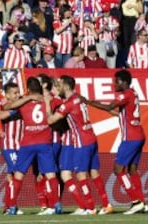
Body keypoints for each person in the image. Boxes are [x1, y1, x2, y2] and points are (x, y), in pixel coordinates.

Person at [80, 69, 148, 215]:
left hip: (130, 137)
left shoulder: (125, 94)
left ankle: (136, 201)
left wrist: (87, 102)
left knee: (118, 169)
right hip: (139, 135)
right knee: (132, 170)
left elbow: (109, 106)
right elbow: (120, 113)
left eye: (116, 81)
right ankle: (142, 202)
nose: (113, 84)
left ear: (123, 82)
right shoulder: (133, 93)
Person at [46, 75, 113, 215]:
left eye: (59, 85)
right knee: (94, 172)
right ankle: (106, 204)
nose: (58, 88)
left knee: (81, 175)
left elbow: (51, 120)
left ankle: (90, 207)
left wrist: (47, 103)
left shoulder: (68, 104)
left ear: (65, 86)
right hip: (91, 137)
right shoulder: (79, 98)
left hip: (82, 141)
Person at [3, 76, 61, 215]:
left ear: (28, 89)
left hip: (27, 143)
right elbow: (61, 103)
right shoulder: (49, 100)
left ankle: (11, 205)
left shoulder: (23, 103)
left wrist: (27, 98)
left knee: (18, 174)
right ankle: (56, 203)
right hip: (44, 142)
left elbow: (6, 106)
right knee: (50, 174)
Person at [0, 82, 24, 215]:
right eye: (14, 93)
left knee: (11, 175)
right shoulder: (4, 104)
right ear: (7, 95)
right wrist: (16, 110)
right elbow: (1, 115)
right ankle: (11, 206)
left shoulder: (23, 102)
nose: (17, 95)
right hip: (8, 144)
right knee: (15, 172)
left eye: (18, 92)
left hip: (20, 145)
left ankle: (8, 206)